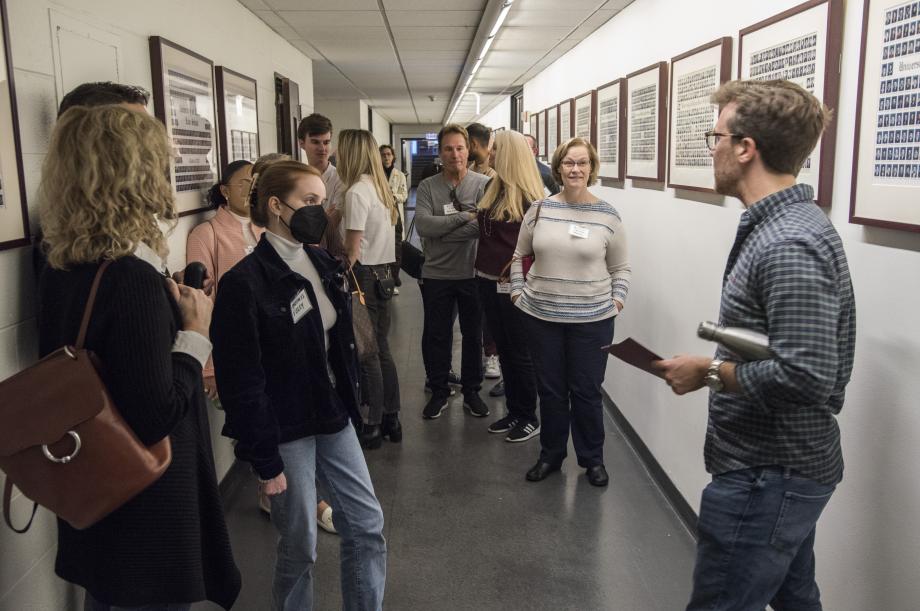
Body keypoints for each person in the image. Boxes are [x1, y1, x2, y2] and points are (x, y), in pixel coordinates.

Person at [653, 80, 855, 611]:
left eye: (714, 136)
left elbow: (807, 374)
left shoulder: (789, 242)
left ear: (745, 148)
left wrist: (710, 371)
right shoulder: (778, 226)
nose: (712, 147)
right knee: (795, 600)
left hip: (771, 473)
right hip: (777, 470)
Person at [37, 105, 240, 610]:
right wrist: (195, 333)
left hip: (95, 489)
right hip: (145, 508)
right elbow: (156, 414)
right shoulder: (130, 279)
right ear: (136, 173)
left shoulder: (63, 264)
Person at [211, 160, 386, 611]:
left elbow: (338, 341)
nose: (320, 211)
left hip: (332, 414)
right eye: (309, 202)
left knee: (365, 525)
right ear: (275, 206)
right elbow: (242, 381)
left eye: (321, 202)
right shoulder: (244, 284)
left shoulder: (324, 262)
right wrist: (265, 462)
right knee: (301, 542)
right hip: (284, 428)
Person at [511, 137, 630, 487]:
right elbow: (519, 256)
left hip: (592, 321)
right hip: (541, 318)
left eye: (582, 163)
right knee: (550, 390)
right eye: (568, 163)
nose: (575, 169)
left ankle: (592, 459)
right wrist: (518, 293)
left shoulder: (608, 216)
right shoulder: (540, 209)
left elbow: (621, 268)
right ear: (558, 167)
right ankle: (551, 455)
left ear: (591, 168)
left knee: (587, 391)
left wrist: (616, 301)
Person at [415, 124, 491, 420]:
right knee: (437, 335)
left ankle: (472, 391)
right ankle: (438, 390)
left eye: (459, 148)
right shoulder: (427, 187)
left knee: (473, 335)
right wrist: (466, 215)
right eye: (448, 148)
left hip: (473, 273)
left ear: (468, 150)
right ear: (440, 152)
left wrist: (443, 232)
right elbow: (423, 225)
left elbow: (484, 227)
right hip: (436, 274)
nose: (455, 154)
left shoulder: (483, 184)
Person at [475, 130, 543, 443]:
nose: (489, 153)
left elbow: (538, 245)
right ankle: (514, 412)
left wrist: (517, 266)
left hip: (515, 285)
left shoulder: (531, 196)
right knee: (503, 349)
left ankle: (529, 416)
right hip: (487, 281)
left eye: (495, 148)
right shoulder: (493, 186)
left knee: (521, 352)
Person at [339, 130, 402, 448]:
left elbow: (351, 250)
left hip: (361, 278)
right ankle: (392, 418)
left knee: (367, 354)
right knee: (382, 348)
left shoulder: (356, 192)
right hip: (384, 276)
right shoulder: (382, 189)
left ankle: (373, 423)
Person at [186, 160, 260, 398]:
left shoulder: (268, 228)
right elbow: (200, 305)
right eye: (244, 183)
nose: (251, 189)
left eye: (255, 183)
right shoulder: (205, 234)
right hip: (232, 347)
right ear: (225, 191)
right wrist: (209, 367)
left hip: (270, 343)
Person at [466, 123, 502, 382]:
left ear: (474, 144)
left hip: (490, 258)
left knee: (489, 315)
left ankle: (492, 355)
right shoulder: (468, 171)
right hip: (468, 256)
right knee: (474, 313)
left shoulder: (494, 177)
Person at [298, 113, 345, 254]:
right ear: (301, 143)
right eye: (315, 142)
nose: (322, 148)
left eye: (326, 142)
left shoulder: (340, 179)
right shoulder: (295, 179)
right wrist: (324, 217)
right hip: (301, 251)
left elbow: (332, 223)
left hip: (331, 252)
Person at [379, 144, 407, 291]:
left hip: (394, 216)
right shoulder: (375, 175)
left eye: (388, 154)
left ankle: (394, 278)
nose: (386, 157)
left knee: (396, 249)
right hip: (379, 217)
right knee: (382, 248)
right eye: (383, 155)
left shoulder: (399, 175)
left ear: (393, 156)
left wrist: (392, 196)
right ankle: (384, 278)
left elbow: (404, 195)